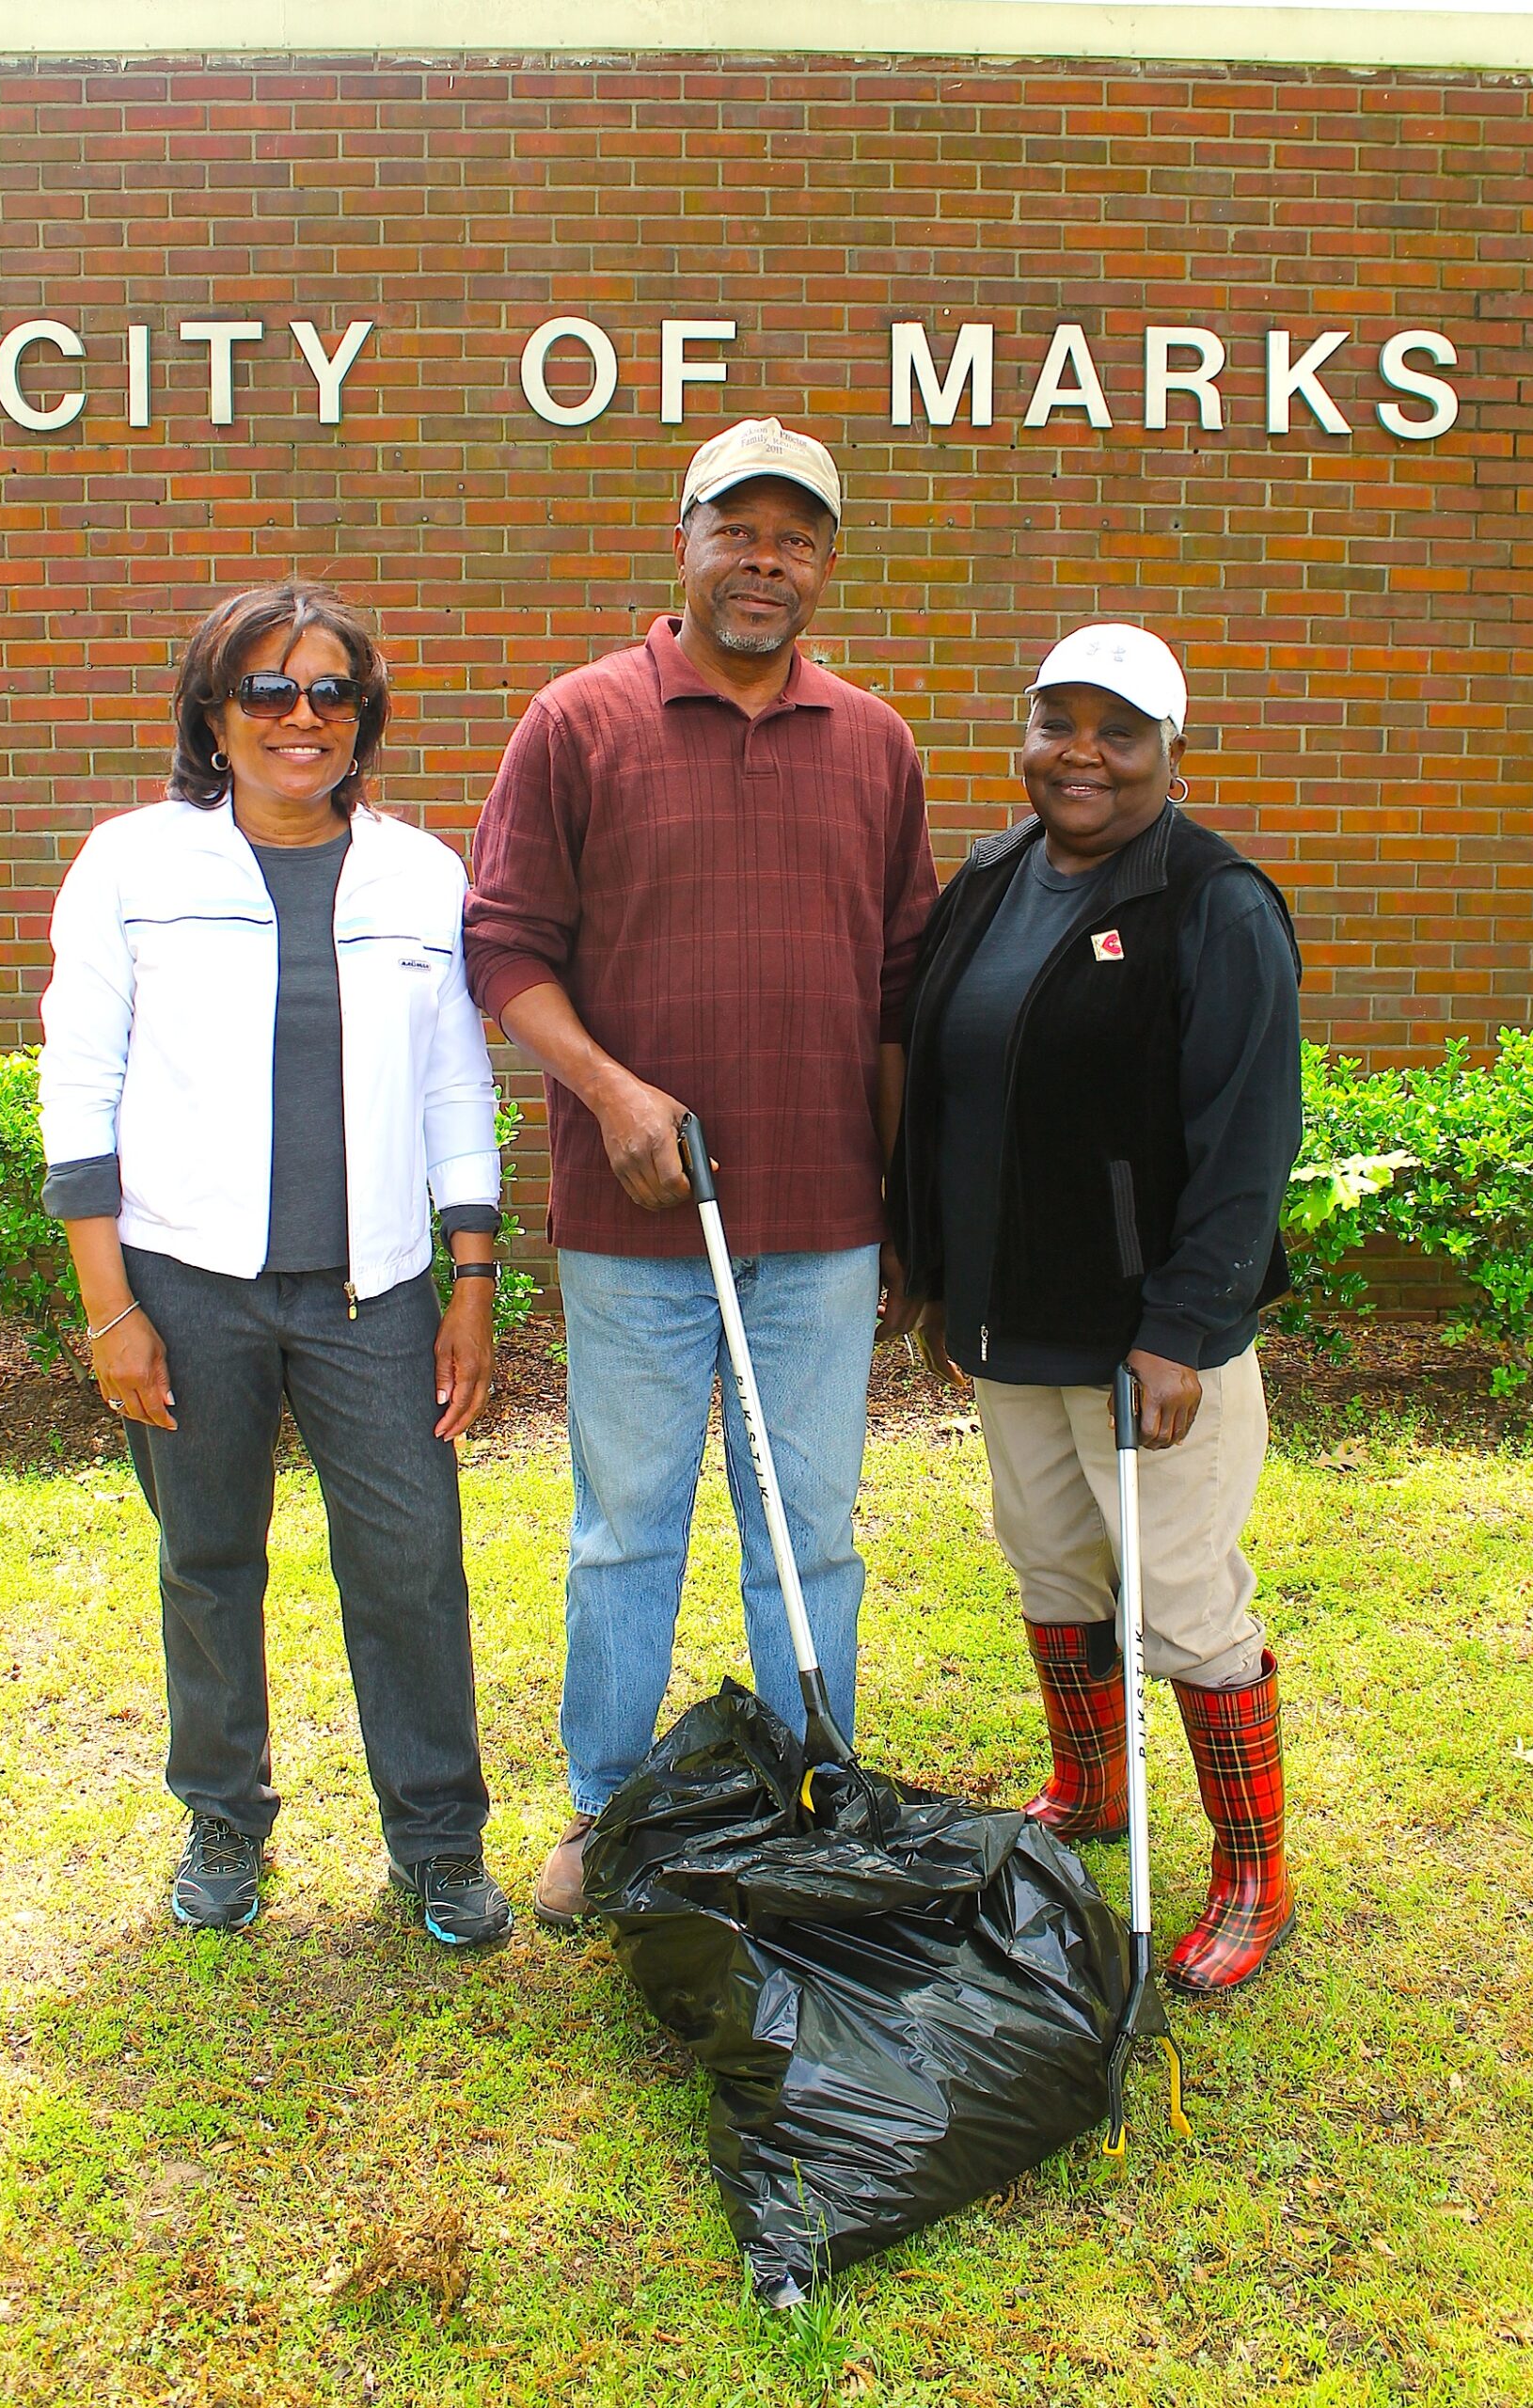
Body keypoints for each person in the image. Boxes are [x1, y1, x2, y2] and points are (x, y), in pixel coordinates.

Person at [464, 418, 939, 1925]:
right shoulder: (580, 722)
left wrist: (905, 1204)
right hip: (631, 1232)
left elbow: (901, 991)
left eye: (796, 539)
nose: (765, 561)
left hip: (819, 1228)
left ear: (827, 566)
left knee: (811, 1533)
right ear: (682, 539)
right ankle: (604, 1808)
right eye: (739, 529)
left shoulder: (875, 742)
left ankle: (813, 1798)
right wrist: (605, 1092)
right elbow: (504, 946)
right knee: (626, 1528)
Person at [38, 578, 513, 1948]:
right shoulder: (133, 864)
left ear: (364, 719)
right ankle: (225, 1822)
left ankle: (436, 1844)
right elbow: (84, 1083)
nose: (301, 719)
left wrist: (470, 1279)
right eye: (267, 691)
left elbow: (453, 1088)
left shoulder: (419, 874)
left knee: (413, 1564)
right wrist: (110, 1303)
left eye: (331, 694)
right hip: (185, 1288)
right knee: (207, 1559)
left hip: (377, 1294)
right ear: (213, 711)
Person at [889, 624, 1302, 1995]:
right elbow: (947, 1083)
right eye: (1056, 721)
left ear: (1171, 753)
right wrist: (936, 1268)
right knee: (1054, 1569)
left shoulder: (1214, 899)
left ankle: (1253, 1875)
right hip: (1014, 1316)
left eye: (1117, 730)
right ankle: (1091, 1789)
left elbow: (1248, 1138)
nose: (1081, 754)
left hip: (1147, 1338)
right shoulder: (996, 874)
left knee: (1180, 1602)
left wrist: (1183, 1326)